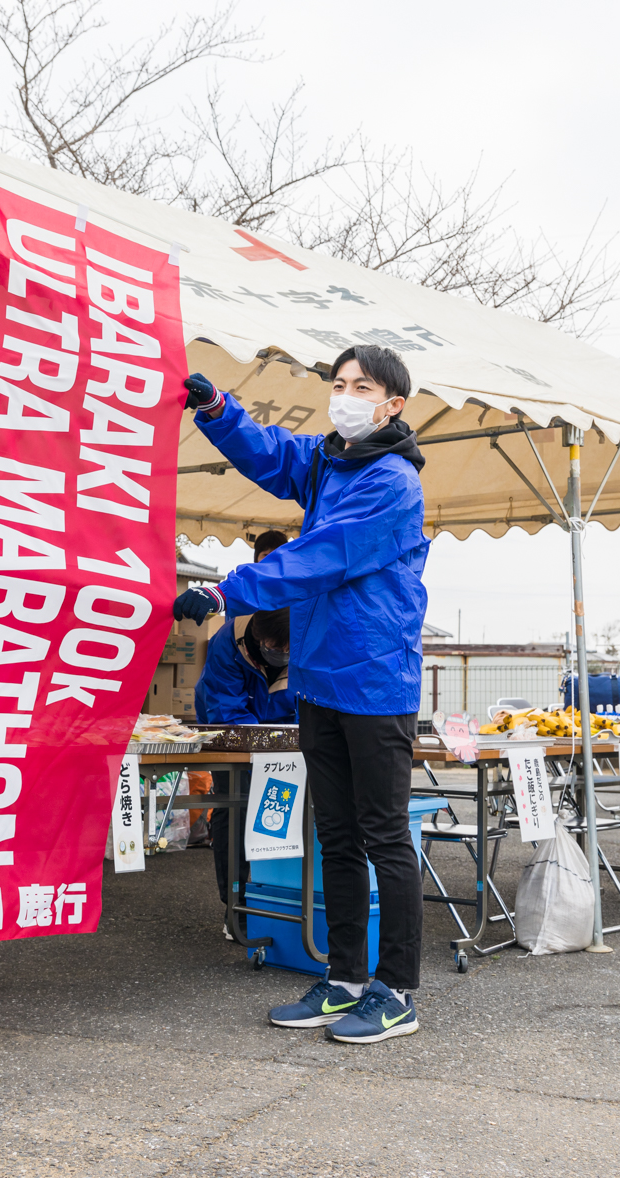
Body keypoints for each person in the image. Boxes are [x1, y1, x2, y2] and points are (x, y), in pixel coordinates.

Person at [174, 344, 429, 1044]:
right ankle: (345, 978)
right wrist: (218, 412)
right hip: (318, 682)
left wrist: (229, 589)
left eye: (362, 386)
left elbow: (321, 558)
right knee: (337, 836)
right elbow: (275, 453)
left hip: (376, 683)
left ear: (392, 405)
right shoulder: (329, 464)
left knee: (384, 838)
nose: (345, 394)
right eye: (339, 383)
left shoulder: (391, 482)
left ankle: (398, 989)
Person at [195, 605, 296, 931]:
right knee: (235, 805)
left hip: (286, 735)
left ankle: (282, 903)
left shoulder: (308, 638)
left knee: (284, 811)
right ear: (257, 633)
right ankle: (236, 907)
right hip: (228, 730)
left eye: (287, 649)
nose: (280, 654)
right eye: (273, 646)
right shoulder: (227, 641)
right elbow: (227, 712)